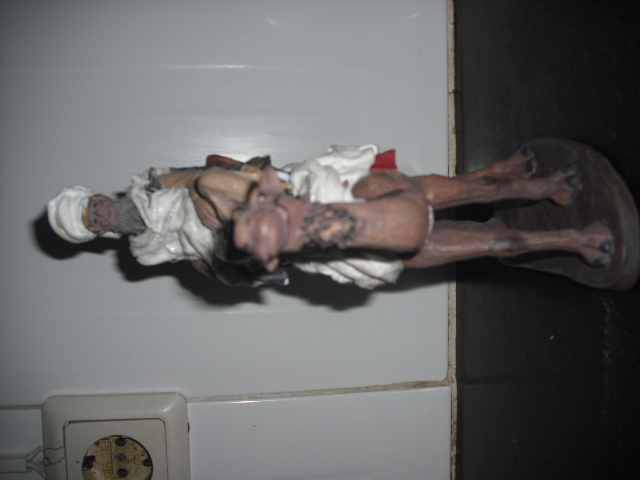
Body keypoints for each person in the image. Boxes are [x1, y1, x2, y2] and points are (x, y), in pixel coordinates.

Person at [48, 144, 619, 289]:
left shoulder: (155, 182)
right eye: (96, 221)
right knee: (433, 248)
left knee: (418, 188)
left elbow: (220, 169)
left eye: (95, 206)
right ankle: (571, 240)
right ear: (101, 232)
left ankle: (521, 179)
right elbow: (221, 271)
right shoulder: (148, 250)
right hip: (275, 237)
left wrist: (233, 187)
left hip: (279, 196)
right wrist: (234, 253)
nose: (104, 214)